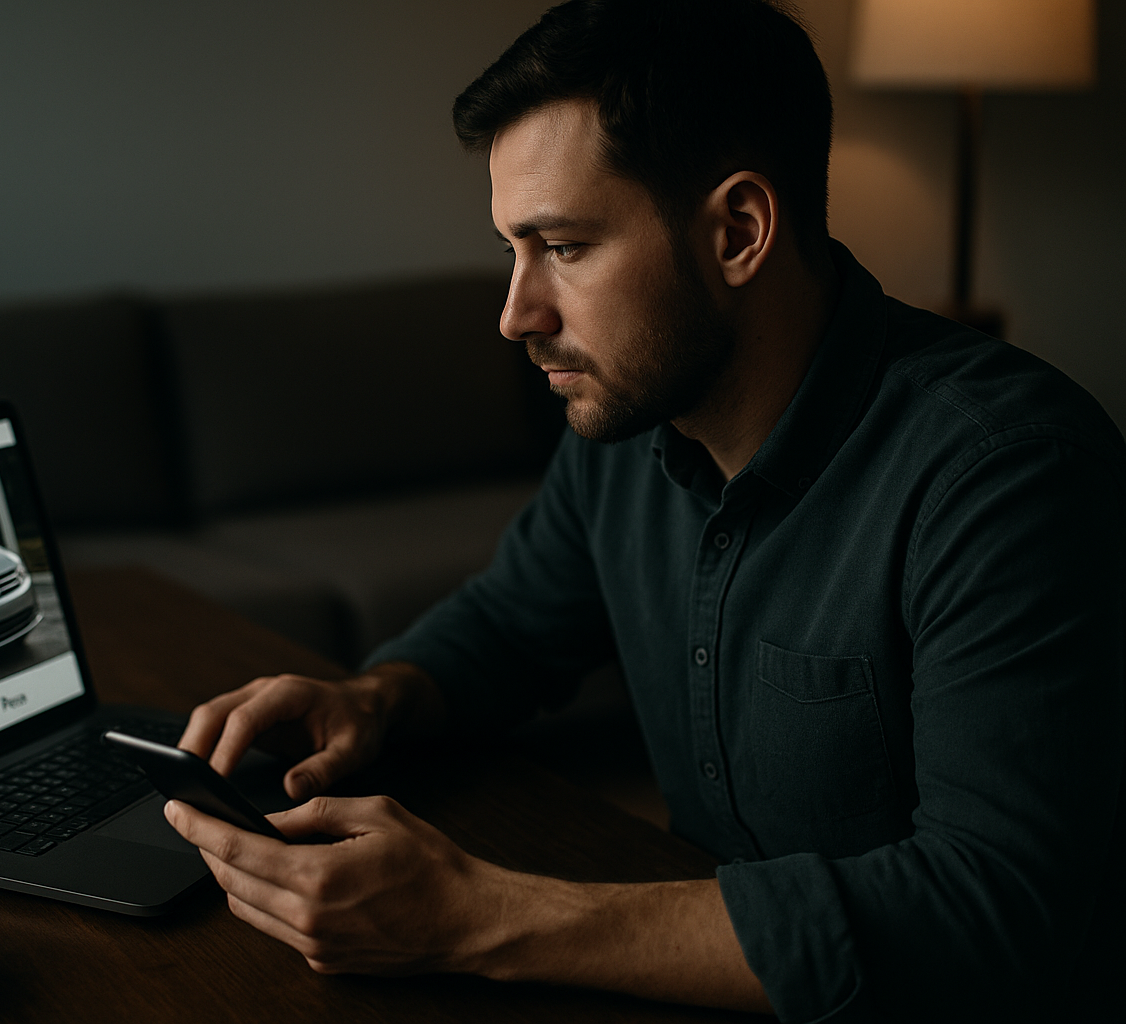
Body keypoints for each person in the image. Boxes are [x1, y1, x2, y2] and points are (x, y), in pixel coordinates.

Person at [163, 1, 1126, 1019]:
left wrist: (478, 917)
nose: (516, 315)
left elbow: (993, 916)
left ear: (739, 232)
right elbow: (506, 627)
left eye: (564, 247)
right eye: (512, 252)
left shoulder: (1007, 476)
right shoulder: (630, 429)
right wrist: (376, 699)